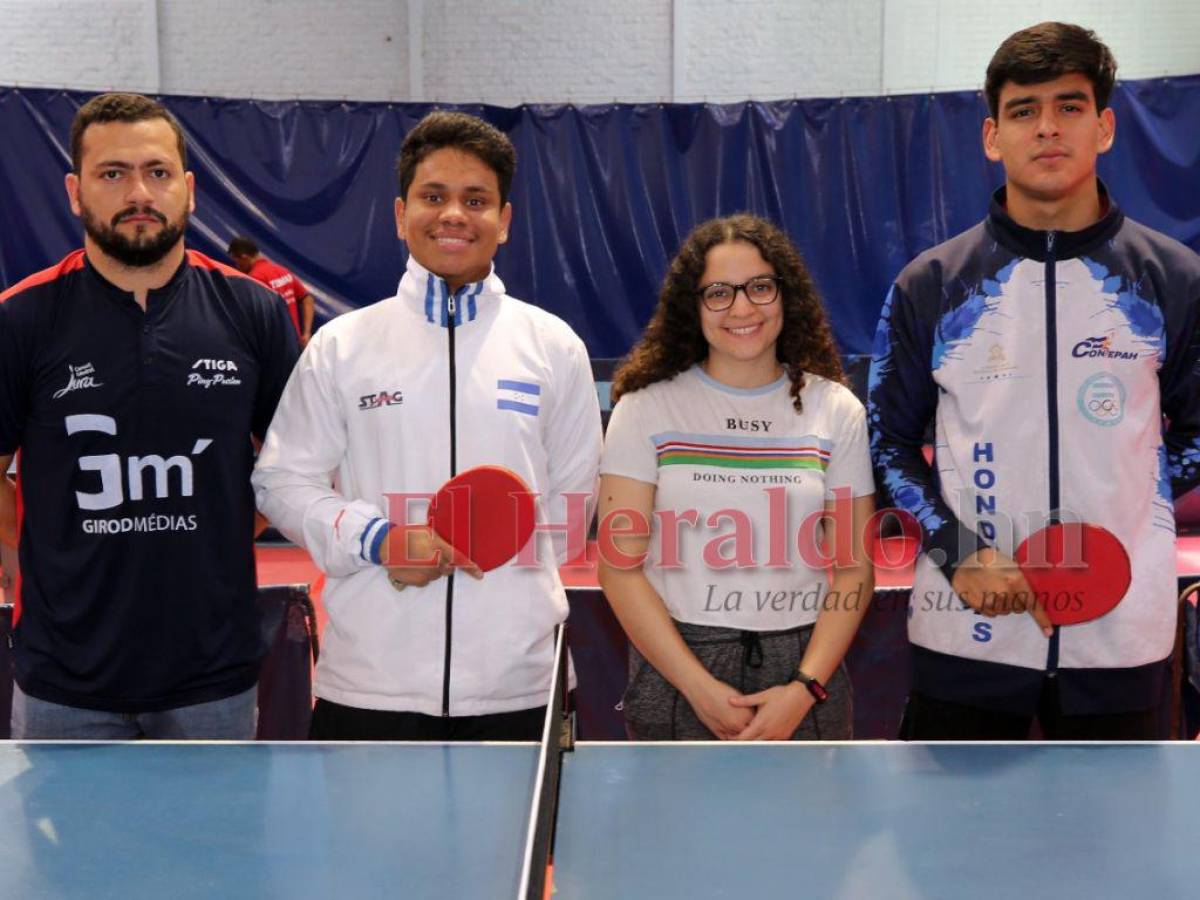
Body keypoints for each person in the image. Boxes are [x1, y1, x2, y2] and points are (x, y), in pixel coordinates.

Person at [868, 22, 1200, 740]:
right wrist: (958, 554)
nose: (1047, 128)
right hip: (966, 638)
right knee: (956, 849)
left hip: (1123, 639)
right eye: (1024, 110)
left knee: (1118, 852)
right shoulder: (933, 285)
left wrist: (1129, 504)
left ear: (1105, 126)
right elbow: (887, 444)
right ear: (992, 136)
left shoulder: (1172, 279)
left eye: (1069, 106)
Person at [252, 110, 602, 741]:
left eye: (477, 200)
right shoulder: (341, 346)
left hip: (519, 687)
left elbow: (569, 516)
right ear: (399, 213)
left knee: (521, 845)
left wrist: (489, 550)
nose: (454, 215)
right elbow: (281, 481)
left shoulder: (554, 347)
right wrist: (380, 539)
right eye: (433, 196)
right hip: (367, 685)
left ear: (505, 221)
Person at [0, 92, 299, 739]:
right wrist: (24, 563)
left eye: (157, 172)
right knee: (76, 847)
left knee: (212, 846)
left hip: (211, 677)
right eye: (113, 174)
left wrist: (220, 533)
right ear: (76, 191)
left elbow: (293, 464)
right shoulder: (21, 317)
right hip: (65, 686)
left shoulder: (252, 312)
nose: (139, 191)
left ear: (188, 189)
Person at [598, 214, 876, 741]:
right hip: (679, 667)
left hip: (804, 671)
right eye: (718, 293)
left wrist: (803, 688)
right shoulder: (645, 409)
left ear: (785, 294)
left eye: (760, 287)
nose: (743, 308)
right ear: (693, 306)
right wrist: (697, 687)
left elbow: (853, 571)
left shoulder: (835, 409)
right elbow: (619, 569)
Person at [228, 236, 315, 347]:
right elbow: (307, 299)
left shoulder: (255, 279)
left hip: (274, 348)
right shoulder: (281, 270)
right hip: (294, 344)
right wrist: (306, 333)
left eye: (238, 263)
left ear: (244, 257)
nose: (237, 267)